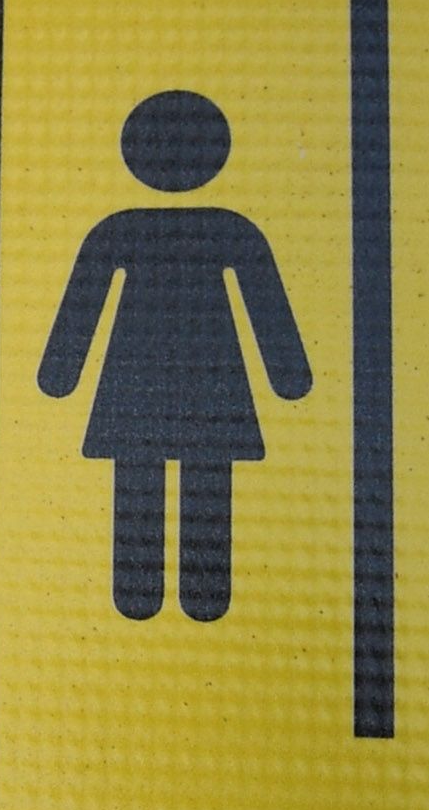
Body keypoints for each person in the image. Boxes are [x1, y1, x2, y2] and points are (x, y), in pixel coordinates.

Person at [37, 90, 313, 623]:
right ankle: (171, 595)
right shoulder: (223, 229)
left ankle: (164, 595)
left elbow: (265, 301)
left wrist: (60, 375)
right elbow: (266, 308)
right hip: (198, 387)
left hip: (145, 386)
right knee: (180, 481)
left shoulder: (127, 230)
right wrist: (288, 376)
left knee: (164, 479)